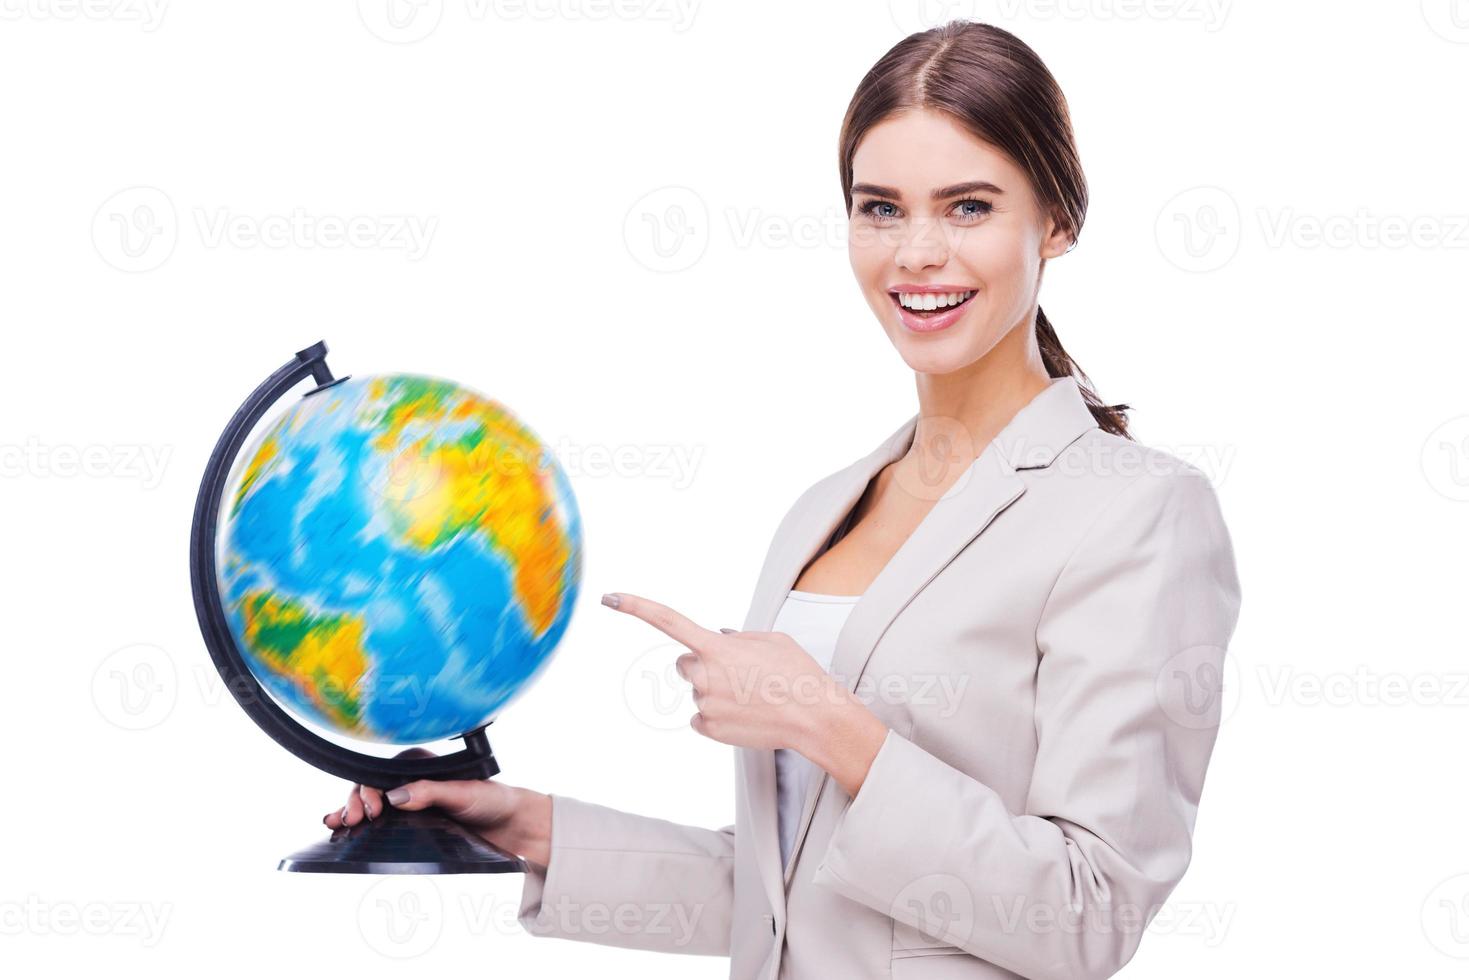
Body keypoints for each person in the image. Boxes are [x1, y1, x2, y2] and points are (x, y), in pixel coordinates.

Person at [324, 20, 1242, 980]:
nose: (916, 252)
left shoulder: (1136, 513)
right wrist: (527, 827)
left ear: (1054, 221)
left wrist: (823, 721)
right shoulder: (822, 511)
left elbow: (1086, 915)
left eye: (967, 206)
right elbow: (788, 897)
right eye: (879, 208)